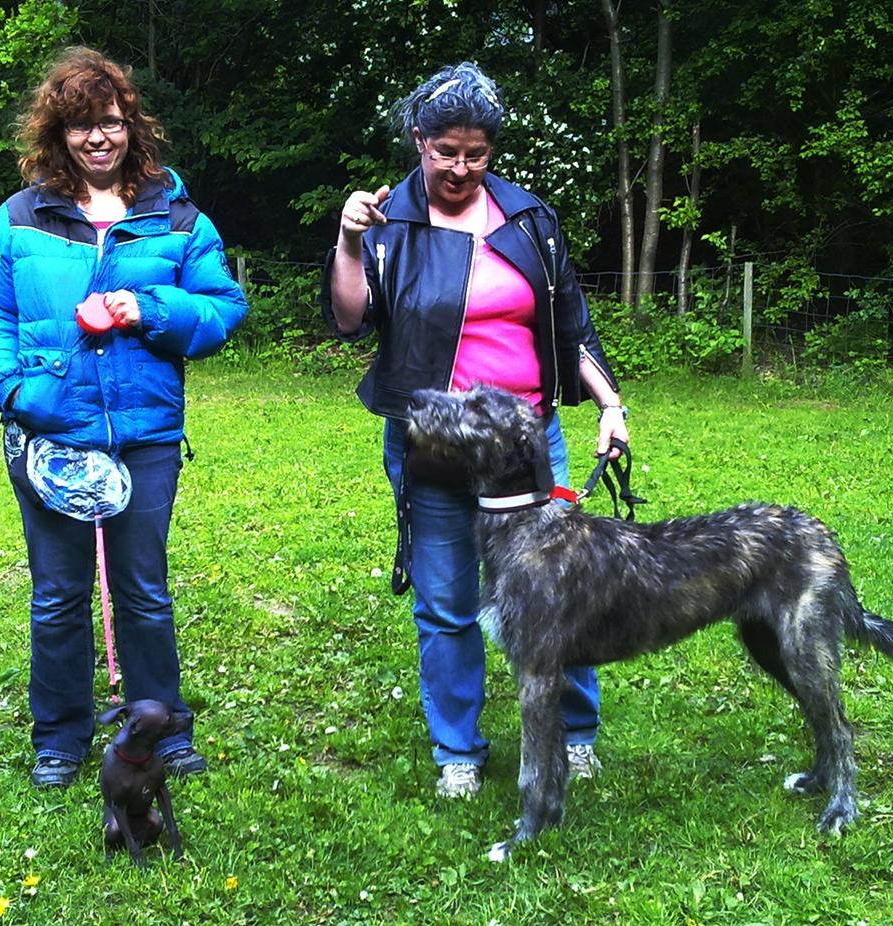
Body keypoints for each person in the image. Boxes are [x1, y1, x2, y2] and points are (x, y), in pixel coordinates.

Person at [322, 62, 628, 798]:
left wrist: (611, 405)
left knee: (561, 592)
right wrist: (347, 239)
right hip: (434, 445)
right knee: (447, 601)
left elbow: (570, 324)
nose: (460, 168)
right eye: (445, 152)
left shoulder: (529, 219)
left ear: (492, 151)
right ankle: (458, 750)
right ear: (418, 140)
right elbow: (348, 316)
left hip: (530, 443)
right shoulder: (386, 218)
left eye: (476, 154)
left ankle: (575, 733)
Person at [0, 47, 247, 788]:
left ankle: (164, 731)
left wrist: (148, 308)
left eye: (110, 122)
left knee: (143, 591)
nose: (98, 138)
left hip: (144, 437)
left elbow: (221, 309)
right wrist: (14, 392)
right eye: (81, 125)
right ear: (57, 134)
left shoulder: (176, 215)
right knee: (57, 595)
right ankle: (60, 738)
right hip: (51, 434)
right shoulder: (20, 219)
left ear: (131, 126)